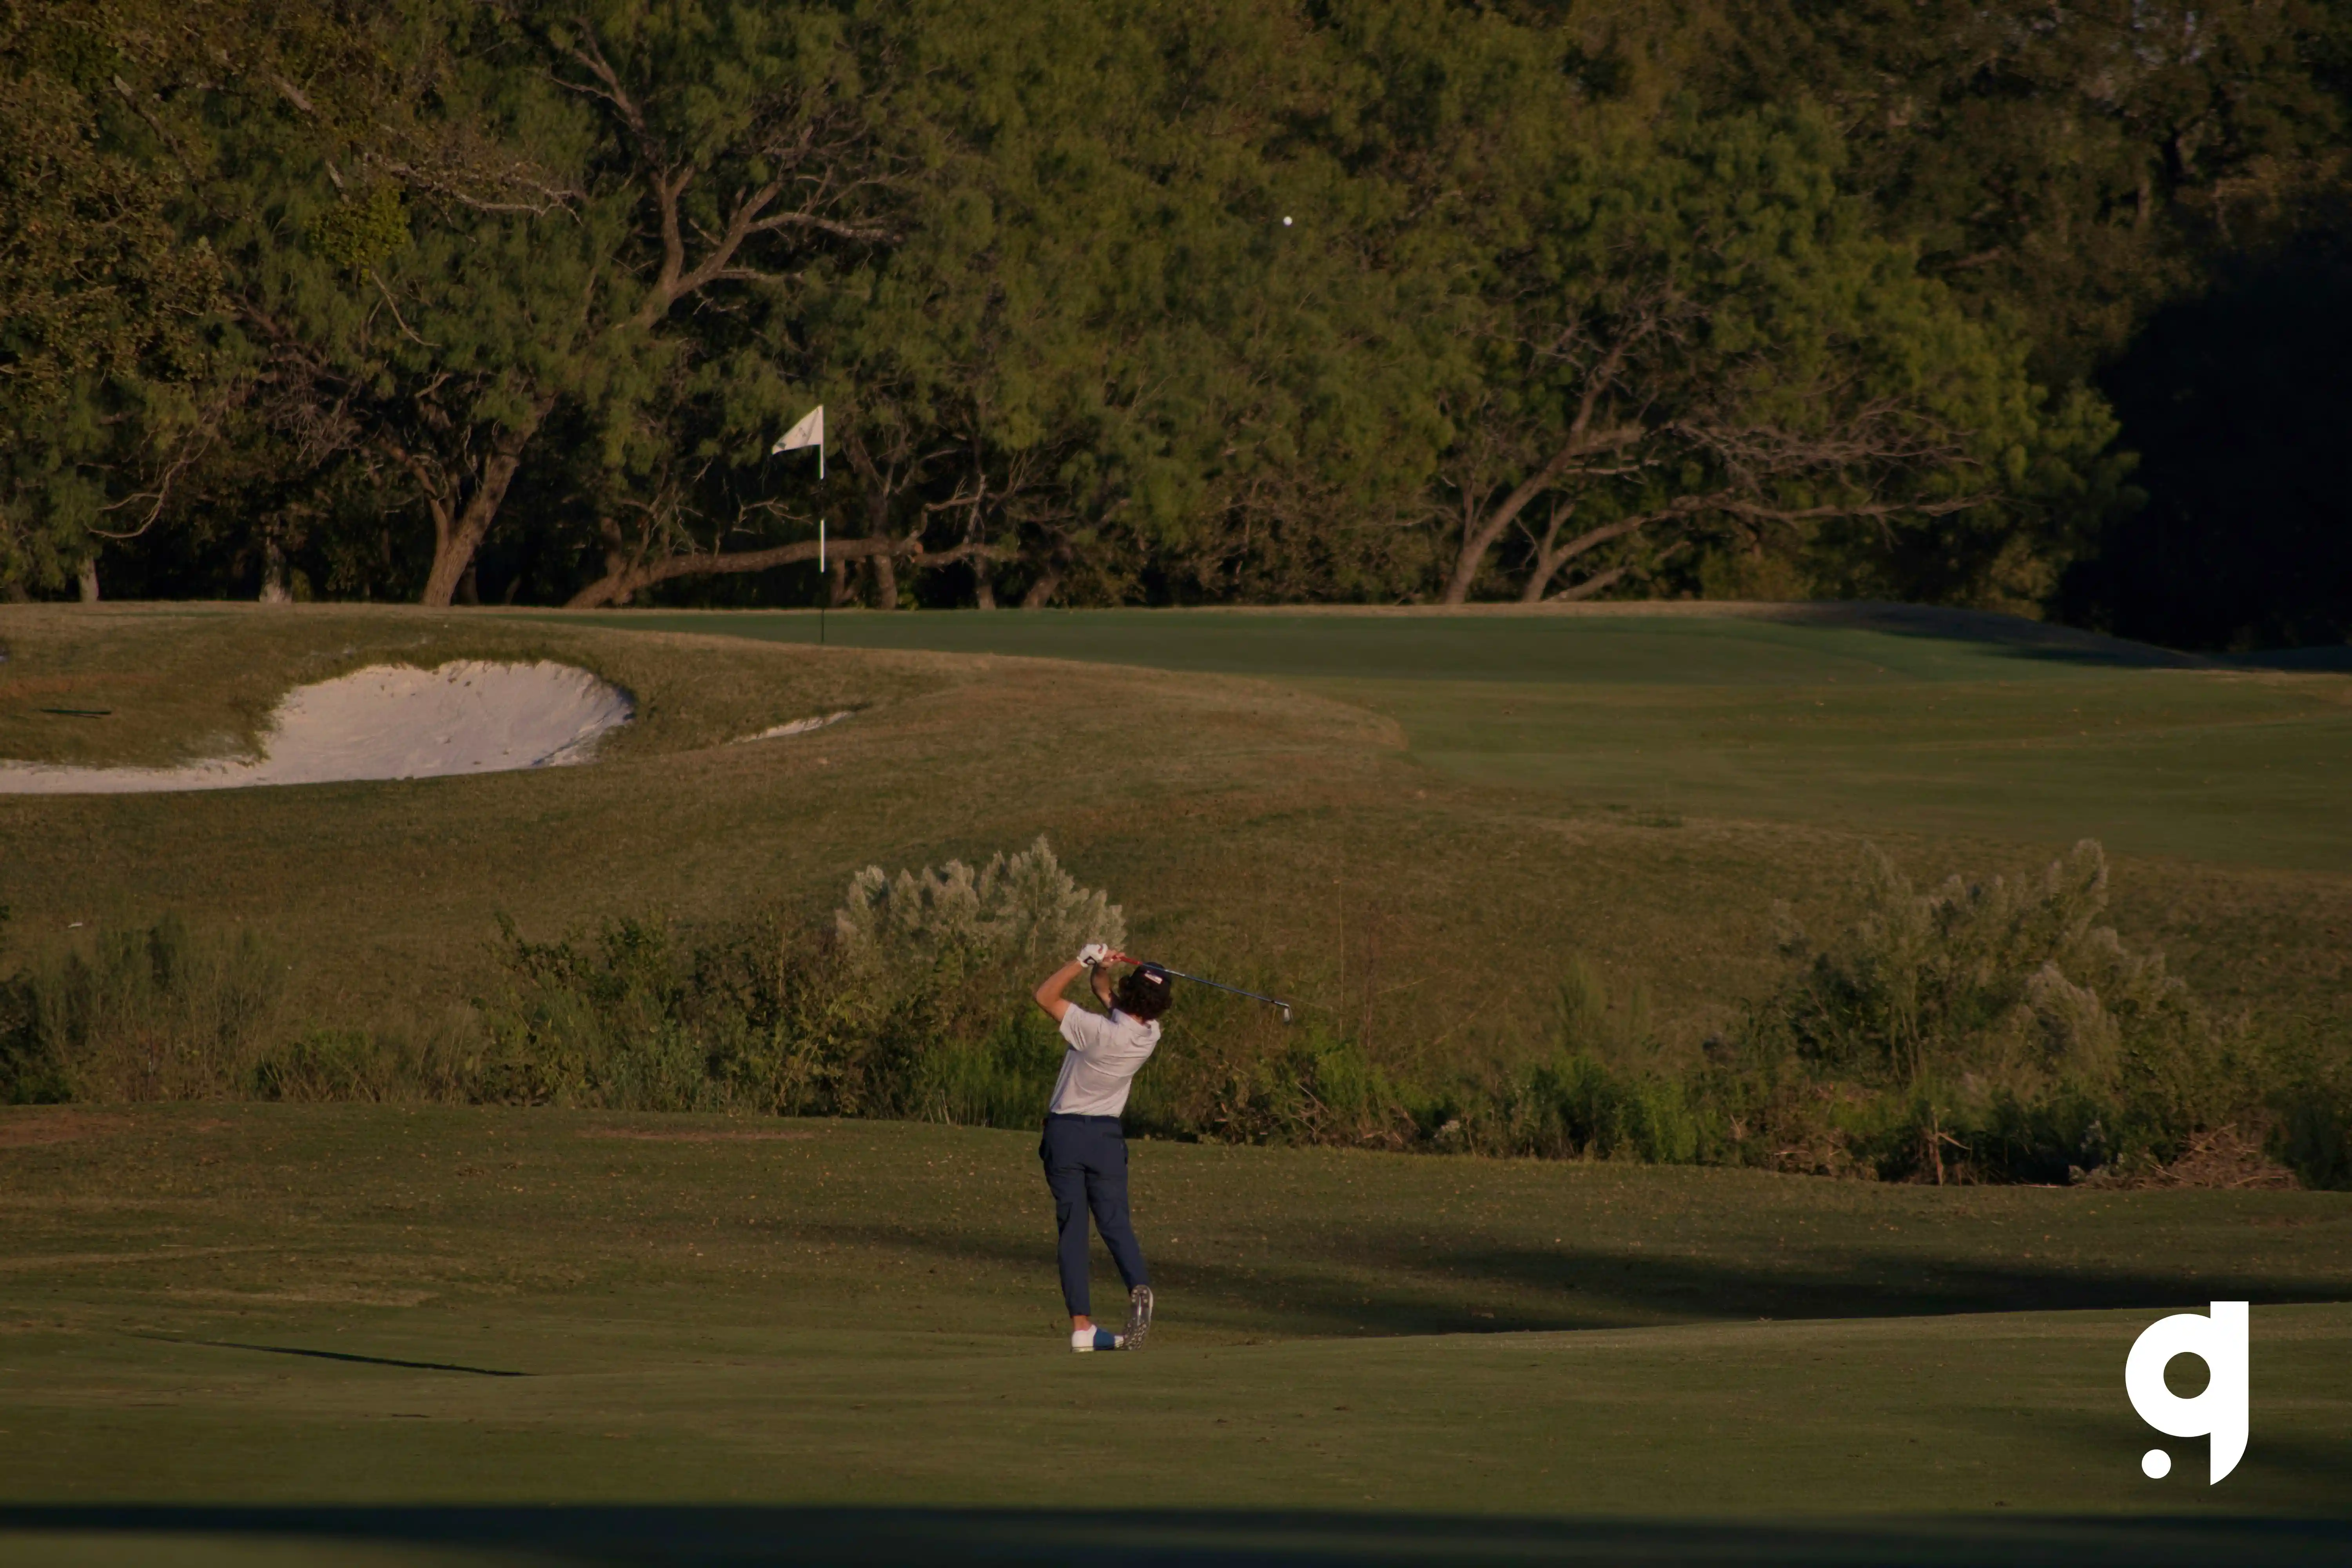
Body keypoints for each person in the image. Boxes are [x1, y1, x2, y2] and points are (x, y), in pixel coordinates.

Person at [1032, 941, 1171, 1352]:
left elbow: (1045, 996)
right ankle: (1138, 1284)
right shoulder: (1150, 1034)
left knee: (1074, 1228)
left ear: (1129, 993)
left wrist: (1081, 960)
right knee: (1114, 1222)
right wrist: (1101, 971)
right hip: (1107, 1140)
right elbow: (1108, 995)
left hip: (1067, 1134)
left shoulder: (1094, 1031)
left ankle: (1081, 1326)